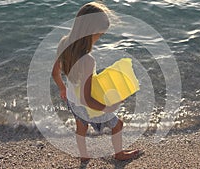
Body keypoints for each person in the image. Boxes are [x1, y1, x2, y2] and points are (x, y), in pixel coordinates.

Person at [52, 2, 140, 162]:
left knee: (81, 127)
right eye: (99, 35)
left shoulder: (63, 42)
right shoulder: (87, 60)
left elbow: (55, 73)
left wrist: (62, 88)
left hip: (72, 100)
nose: (99, 38)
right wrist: (108, 107)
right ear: (90, 32)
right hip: (86, 104)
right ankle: (119, 154)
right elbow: (87, 99)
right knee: (118, 124)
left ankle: (84, 156)